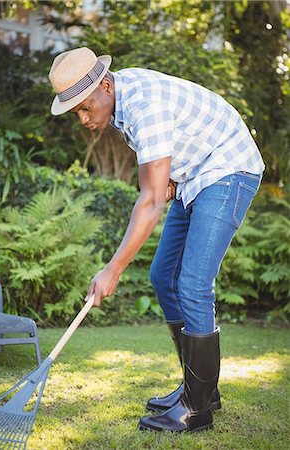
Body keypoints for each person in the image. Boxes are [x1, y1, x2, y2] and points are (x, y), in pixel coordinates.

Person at [48, 47, 265, 433]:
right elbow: (162, 168)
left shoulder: (143, 105)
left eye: (84, 107)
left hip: (228, 169)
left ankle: (196, 408)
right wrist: (170, 179)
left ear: (106, 85)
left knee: (195, 283)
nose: (83, 118)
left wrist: (112, 270)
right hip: (194, 176)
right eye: (76, 112)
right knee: (163, 277)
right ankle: (198, 388)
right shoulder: (121, 104)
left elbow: (148, 203)